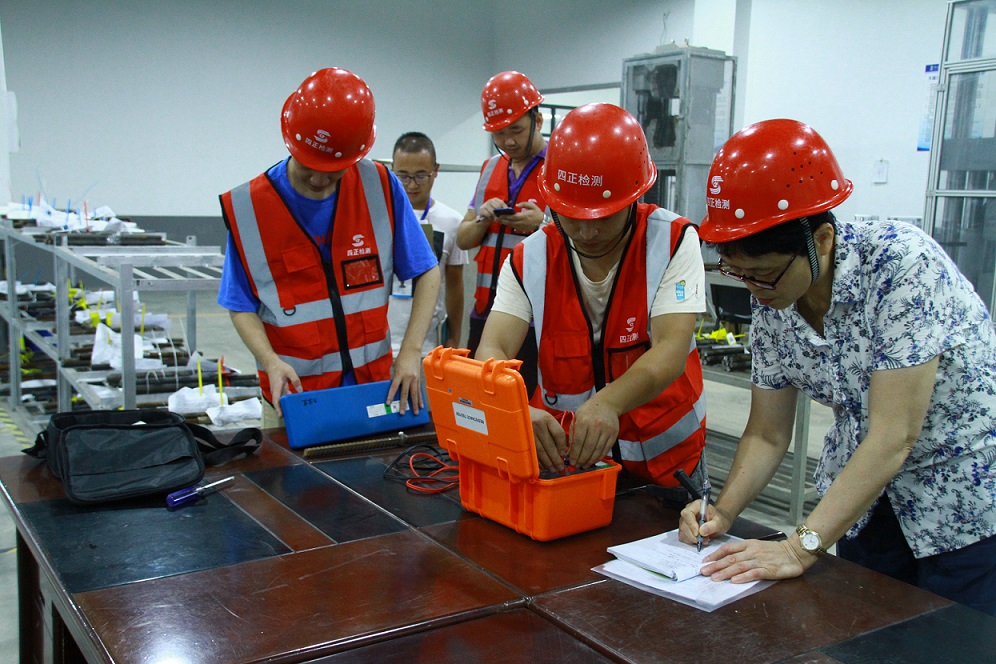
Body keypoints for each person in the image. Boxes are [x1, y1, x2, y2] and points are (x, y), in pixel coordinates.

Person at [680, 118, 996, 616]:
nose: (756, 291)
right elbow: (766, 433)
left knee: (956, 640)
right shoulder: (774, 303)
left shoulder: (902, 268)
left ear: (821, 240)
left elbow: (895, 435)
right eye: (741, 275)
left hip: (962, 500)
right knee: (865, 632)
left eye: (764, 275)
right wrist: (723, 511)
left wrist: (799, 545)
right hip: (864, 498)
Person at [475, 103, 708, 490]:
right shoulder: (529, 258)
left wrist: (610, 402)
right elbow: (493, 346)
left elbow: (671, 349)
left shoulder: (672, 242)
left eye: (602, 218)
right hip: (573, 469)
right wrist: (510, 408)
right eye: (571, 216)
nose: (586, 233)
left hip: (669, 470)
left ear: (633, 197)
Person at [218, 68, 440, 427]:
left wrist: (411, 351)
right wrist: (270, 360)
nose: (320, 181)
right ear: (291, 143)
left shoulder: (380, 187)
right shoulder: (249, 210)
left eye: (334, 171)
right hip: (293, 397)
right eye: (309, 167)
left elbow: (427, 271)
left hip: (375, 389)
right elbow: (239, 304)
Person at [456, 71, 548, 397]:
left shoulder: (560, 166)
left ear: (537, 119)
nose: (508, 141)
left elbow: (588, 241)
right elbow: (463, 239)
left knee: (527, 409)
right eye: (498, 133)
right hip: (484, 313)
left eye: (516, 130)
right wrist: (483, 218)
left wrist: (543, 223)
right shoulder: (490, 169)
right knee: (479, 404)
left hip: (535, 321)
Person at [387, 132, 468, 355]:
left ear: (436, 171)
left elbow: (454, 285)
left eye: (421, 176)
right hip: (379, 344)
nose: (412, 185)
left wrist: (454, 337)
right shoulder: (378, 217)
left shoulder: (451, 221)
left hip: (428, 345)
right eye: (403, 176)